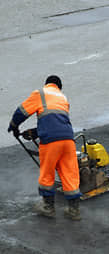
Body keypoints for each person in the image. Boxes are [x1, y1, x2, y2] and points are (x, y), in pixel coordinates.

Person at [7, 75, 82, 220]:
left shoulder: (40, 93)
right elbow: (57, 121)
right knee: (69, 173)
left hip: (50, 141)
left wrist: (14, 126)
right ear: (59, 87)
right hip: (68, 140)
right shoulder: (63, 98)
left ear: (47, 84)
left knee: (47, 173)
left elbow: (22, 112)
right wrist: (36, 131)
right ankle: (74, 210)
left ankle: (48, 207)